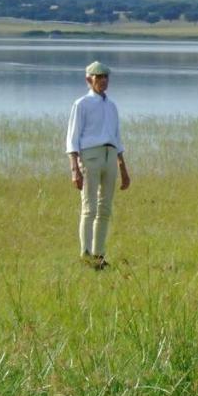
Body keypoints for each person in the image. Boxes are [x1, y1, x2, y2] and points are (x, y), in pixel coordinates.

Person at [65, 61, 131, 269]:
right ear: (88, 80)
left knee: (105, 209)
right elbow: (72, 139)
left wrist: (123, 168)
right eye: (98, 77)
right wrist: (75, 169)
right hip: (90, 156)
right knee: (89, 207)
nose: (103, 81)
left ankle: (99, 255)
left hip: (110, 156)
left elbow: (117, 138)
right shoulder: (81, 104)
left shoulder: (112, 106)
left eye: (105, 77)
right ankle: (85, 254)